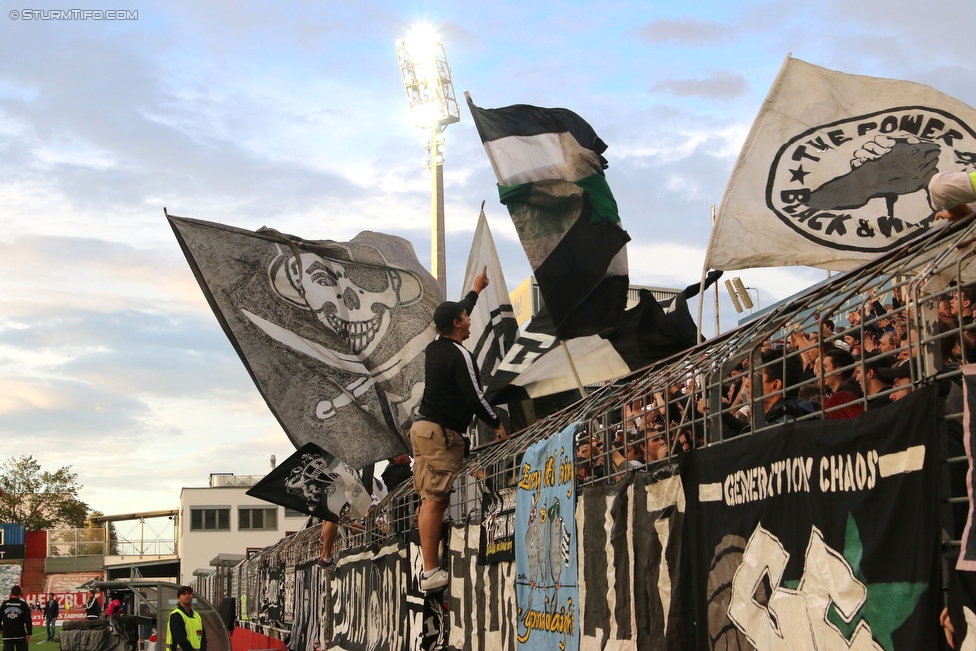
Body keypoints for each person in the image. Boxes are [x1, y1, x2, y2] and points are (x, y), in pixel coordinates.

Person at [411, 265, 506, 592]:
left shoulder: (436, 346)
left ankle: (428, 568)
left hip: (423, 428)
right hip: (441, 432)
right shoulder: (458, 353)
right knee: (436, 500)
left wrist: (477, 290)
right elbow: (475, 396)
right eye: (465, 317)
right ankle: (430, 571)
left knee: (428, 499)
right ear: (456, 324)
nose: (469, 320)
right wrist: (497, 423)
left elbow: (459, 308)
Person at [167, 586, 206, 651]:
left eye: (189, 593)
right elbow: (181, 639)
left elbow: (203, 637)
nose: (187, 596)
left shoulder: (197, 616)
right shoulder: (176, 615)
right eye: (184, 594)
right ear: (179, 598)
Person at [1, 585, 32, 651]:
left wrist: (0, 628)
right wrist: (29, 632)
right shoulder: (23, 605)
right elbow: (28, 620)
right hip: (20, 634)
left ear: (11, 593)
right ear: (20, 593)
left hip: (7, 634)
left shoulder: (4, 604)